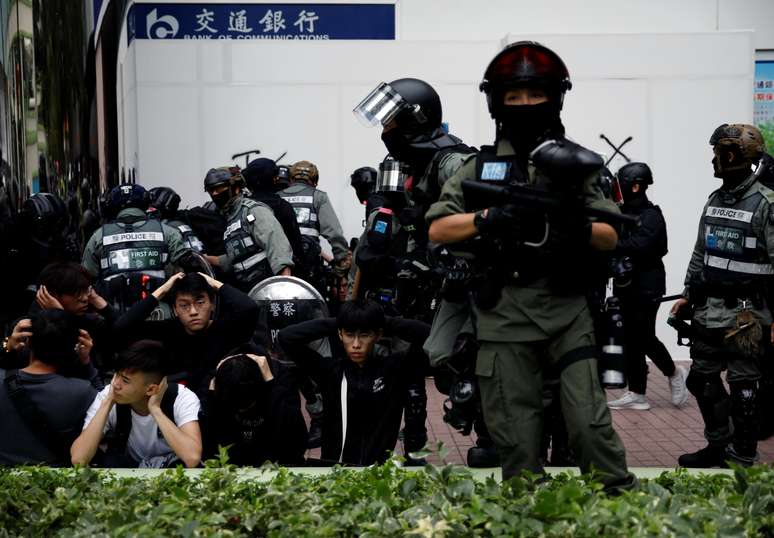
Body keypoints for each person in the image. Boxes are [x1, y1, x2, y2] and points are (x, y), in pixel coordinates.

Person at [425, 41, 634, 491]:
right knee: (515, 436)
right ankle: (527, 511)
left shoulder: (577, 165)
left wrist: (567, 221)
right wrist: (488, 218)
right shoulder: (479, 167)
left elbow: (610, 234)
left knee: (588, 424)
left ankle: (620, 504)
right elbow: (438, 229)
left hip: (567, 309)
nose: (524, 105)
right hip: (503, 314)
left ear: (554, 98)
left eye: (534, 95)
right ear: (496, 101)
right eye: (513, 97)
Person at [672, 123, 773, 467]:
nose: (713, 160)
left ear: (737, 156)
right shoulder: (714, 200)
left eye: (719, 153)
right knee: (701, 380)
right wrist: (687, 293)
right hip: (708, 311)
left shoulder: (766, 204)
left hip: (745, 316)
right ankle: (718, 446)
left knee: (745, 388)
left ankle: (743, 455)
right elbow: (701, 252)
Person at [278, 300, 430, 466]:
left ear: (378, 335)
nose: (356, 345)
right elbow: (287, 337)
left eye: (364, 335)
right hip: (335, 470)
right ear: (340, 335)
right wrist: (342, 321)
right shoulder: (330, 372)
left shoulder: (394, 369)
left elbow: (427, 334)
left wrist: (378, 320)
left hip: (378, 472)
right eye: (349, 335)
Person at [606, 162, 689, 410]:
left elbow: (641, 247)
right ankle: (637, 393)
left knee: (643, 336)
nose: (616, 188)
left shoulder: (651, 216)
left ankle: (674, 372)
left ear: (635, 186)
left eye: (620, 184)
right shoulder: (619, 212)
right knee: (630, 337)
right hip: (625, 283)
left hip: (647, 285)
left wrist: (611, 241)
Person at [112, 272, 260, 397]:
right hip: (174, 404)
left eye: (200, 302)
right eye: (184, 306)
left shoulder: (226, 329)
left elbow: (250, 308)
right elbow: (122, 328)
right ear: (175, 310)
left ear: (212, 304)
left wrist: (212, 282)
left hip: (219, 403)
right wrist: (162, 290)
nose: (194, 311)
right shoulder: (168, 330)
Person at [71, 340, 202, 468]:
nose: (115, 384)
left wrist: (155, 410)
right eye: (117, 375)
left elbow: (192, 458)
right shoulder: (109, 395)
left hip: (172, 472)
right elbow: (79, 459)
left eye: (125, 380)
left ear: (151, 389)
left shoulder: (181, 398)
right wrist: (107, 403)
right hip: (129, 475)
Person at [0, 310, 101, 465]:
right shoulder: (82, 391)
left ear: (28, 342)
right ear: (74, 347)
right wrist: (87, 362)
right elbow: (105, 405)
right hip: (53, 482)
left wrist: (7, 345)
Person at [81, 184, 192, 312]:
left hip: (114, 315)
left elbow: (86, 278)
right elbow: (186, 270)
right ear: (146, 202)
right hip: (160, 314)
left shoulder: (98, 236)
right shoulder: (168, 232)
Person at [3, 262, 117, 371]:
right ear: (50, 295)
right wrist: (7, 346)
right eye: (76, 293)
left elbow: (125, 335)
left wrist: (103, 306)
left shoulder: (87, 322)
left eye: (86, 290)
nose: (85, 298)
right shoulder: (25, 327)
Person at [199, 352, 307, 466]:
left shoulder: (280, 379)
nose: (242, 411)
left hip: (276, 461)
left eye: (247, 407)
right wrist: (210, 398)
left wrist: (272, 387)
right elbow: (208, 451)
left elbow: (297, 444)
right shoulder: (215, 384)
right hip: (231, 463)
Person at [203, 167, 293, 291]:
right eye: (211, 190)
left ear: (236, 188)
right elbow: (235, 257)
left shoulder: (253, 211)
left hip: (267, 286)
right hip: (248, 289)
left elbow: (277, 247)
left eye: (220, 188)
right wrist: (204, 259)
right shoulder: (230, 219)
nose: (215, 194)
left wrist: (284, 287)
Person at [279, 160, 351, 279]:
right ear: (315, 181)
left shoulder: (278, 197)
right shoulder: (318, 197)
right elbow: (334, 233)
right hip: (309, 268)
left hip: (282, 267)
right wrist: (341, 263)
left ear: (291, 179)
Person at [241, 158, 306, 274]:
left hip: (252, 276)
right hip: (284, 274)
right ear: (274, 179)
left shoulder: (243, 209)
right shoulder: (284, 207)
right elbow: (297, 248)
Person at [148, 186, 206, 254]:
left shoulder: (174, 226)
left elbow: (196, 256)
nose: (149, 211)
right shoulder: (177, 225)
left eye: (152, 208)